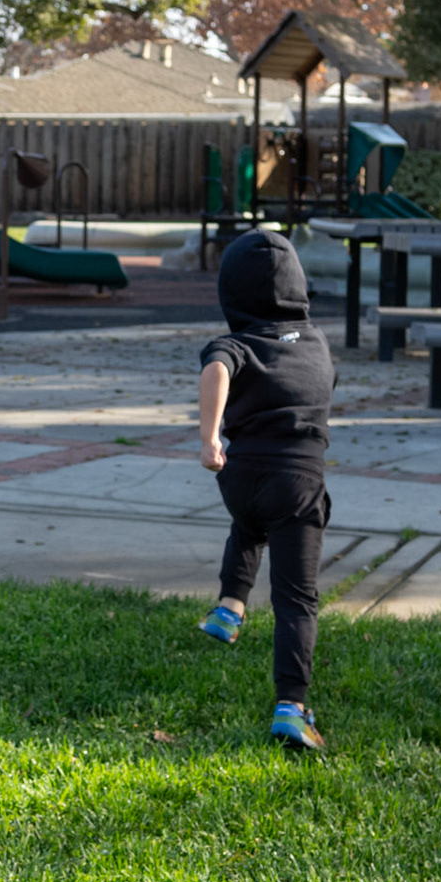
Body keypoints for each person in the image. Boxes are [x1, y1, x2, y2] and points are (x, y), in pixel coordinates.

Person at [194, 229, 335, 752]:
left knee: (249, 524)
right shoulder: (318, 342)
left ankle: (229, 607)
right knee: (296, 598)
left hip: (241, 476)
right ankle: (292, 709)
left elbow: (216, 370)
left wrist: (210, 438)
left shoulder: (235, 345)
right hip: (298, 481)